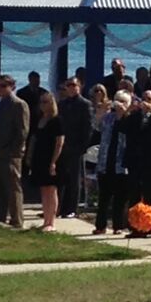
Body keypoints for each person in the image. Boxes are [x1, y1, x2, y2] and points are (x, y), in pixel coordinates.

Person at [123, 90, 151, 237]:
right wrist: (128, 110)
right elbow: (122, 127)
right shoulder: (134, 117)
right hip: (136, 161)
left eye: (149, 99)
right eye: (144, 99)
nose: (146, 102)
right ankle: (135, 228)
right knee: (134, 195)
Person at [0, 74, 29, 227]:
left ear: (12, 87)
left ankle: (17, 219)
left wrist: (14, 151)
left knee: (13, 187)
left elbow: (22, 131)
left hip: (11, 154)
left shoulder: (19, 104)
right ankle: (1, 217)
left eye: (3, 86)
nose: (0, 89)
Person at [94, 90, 130, 235]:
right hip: (105, 162)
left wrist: (123, 114)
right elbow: (97, 126)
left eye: (123, 101)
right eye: (118, 100)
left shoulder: (129, 119)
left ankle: (118, 226)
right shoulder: (108, 117)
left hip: (121, 164)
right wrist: (101, 111)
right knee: (104, 197)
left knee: (120, 198)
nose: (120, 104)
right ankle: (100, 226)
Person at [26, 92, 64, 232]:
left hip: (51, 158)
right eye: (41, 102)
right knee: (43, 189)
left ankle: (51, 222)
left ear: (51, 103)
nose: (42, 105)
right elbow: (34, 138)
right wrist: (29, 156)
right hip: (39, 158)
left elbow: (59, 142)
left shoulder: (57, 120)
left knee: (51, 189)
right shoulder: (40, 119)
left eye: (46, 102)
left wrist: (54, 161)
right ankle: (45, 220)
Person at [58, 76, 93, 218]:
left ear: (80, 87)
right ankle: (60, 207)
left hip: (76, 146)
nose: (71, 88)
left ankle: (72, 208)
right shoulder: (62, 104)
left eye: (74, 85)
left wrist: (82, 146)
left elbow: (88, 128)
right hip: (62, 146)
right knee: (61, 178)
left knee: (74, 178)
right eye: (69, 85)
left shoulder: (85, 104)